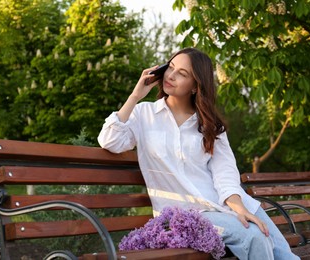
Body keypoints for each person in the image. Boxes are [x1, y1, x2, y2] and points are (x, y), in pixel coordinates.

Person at [98, 48, 299, 259]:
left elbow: (225, 173)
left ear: (195, 86)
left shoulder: (210, 125)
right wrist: (135, 95)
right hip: (189, 215)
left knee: (285, 254)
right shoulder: (144, 113)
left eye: (182, 74)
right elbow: (109, 140)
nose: (171, 76)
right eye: (171, 67)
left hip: (228, 203)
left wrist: (239, 208)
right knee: (255, 237)